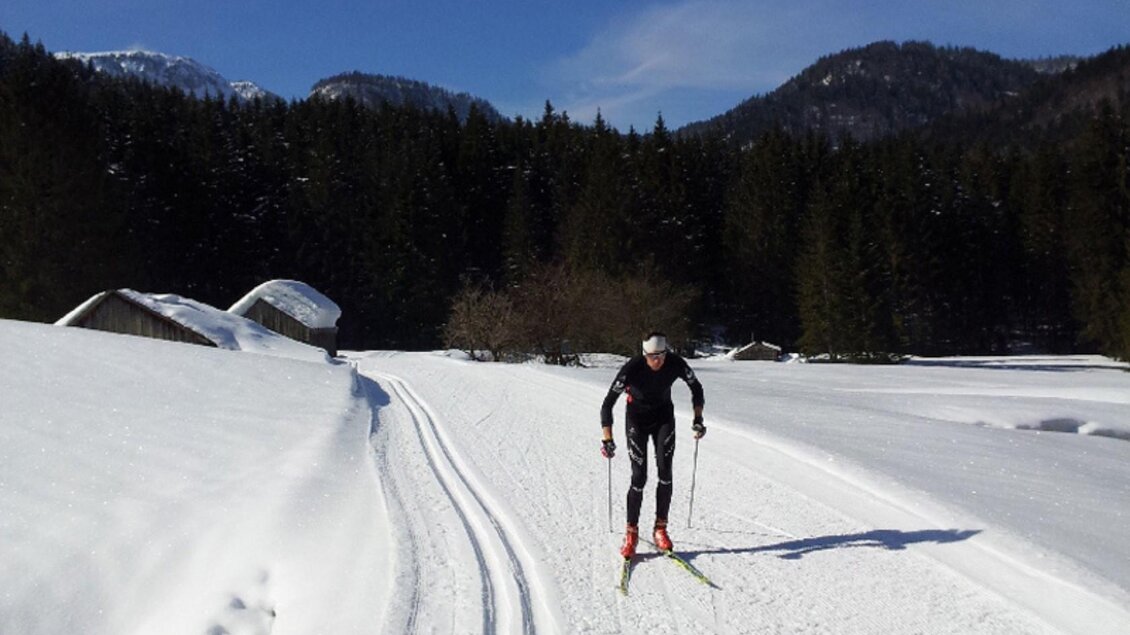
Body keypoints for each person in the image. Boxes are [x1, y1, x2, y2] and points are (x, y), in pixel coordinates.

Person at [600, 331, 705, 558]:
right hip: (636, 420)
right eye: (652, 356)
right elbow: (607, 404)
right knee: (639, 477)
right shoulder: (632, 368)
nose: (658, 361)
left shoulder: (675, 363)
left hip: (663, 418)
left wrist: (698, 418)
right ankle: (631, 532)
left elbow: (696, 388)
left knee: (665, 473)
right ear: (644, 354)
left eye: (661, 355)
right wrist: (607, 438)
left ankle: (660, 529)